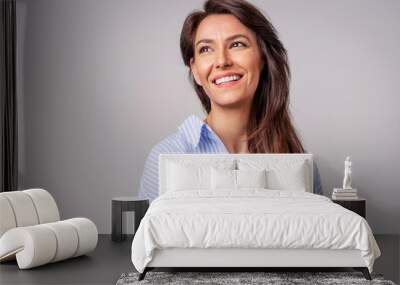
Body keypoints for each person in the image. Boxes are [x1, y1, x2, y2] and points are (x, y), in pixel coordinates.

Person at [138, 0, 322, 202]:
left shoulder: (297, 161)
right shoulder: (166, 156)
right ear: (196, 71)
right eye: (206, 49)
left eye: (237, 44)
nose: (222, 61)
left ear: (263, 59)